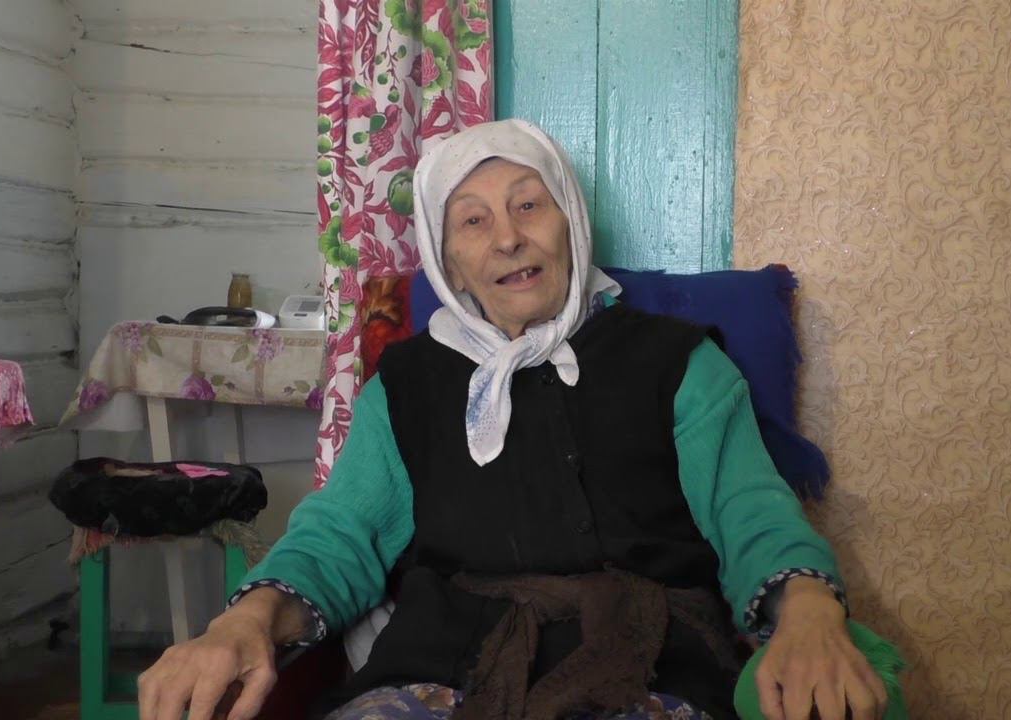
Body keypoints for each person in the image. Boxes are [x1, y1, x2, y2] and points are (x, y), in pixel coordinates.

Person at [135, 120, 889, 720]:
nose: (506, 238)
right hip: (441, 666)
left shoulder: (680, 362)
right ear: (449, 262)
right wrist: (245, 621)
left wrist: (810, 612)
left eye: (529, 205)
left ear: (570, 222)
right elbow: (340, 534)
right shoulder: (406, 385)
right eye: (472, 221)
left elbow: (751, 511)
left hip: (650, 664)